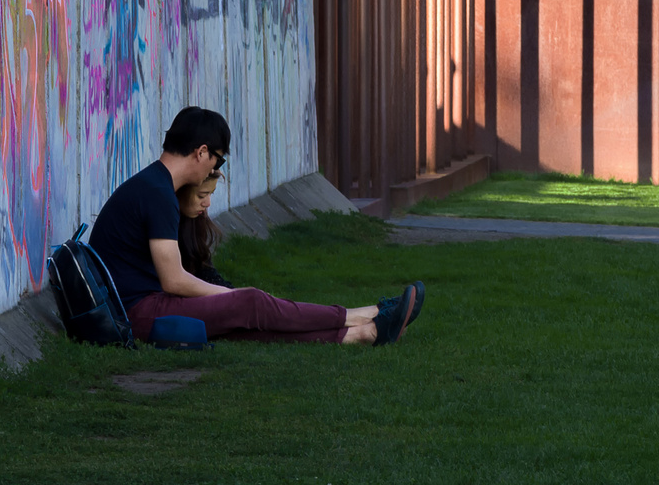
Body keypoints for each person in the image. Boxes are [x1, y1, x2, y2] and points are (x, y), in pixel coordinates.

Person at [89, 105, 423, 345]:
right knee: (250, 303)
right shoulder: (157, 193)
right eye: (217, 161)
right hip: (139, 313)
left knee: (243, 321)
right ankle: (364, 314)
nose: (214, 170)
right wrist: (227, 295)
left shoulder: (153, 185)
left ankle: (366, 332)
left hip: (140, 308)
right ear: (201, 152)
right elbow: (174, 280)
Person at [176, 171, 231, 288]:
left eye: (211, 194)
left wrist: (234, 294)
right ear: (180, 190)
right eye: (201, 195)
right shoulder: (164, 223)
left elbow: (206, 272)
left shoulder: (194, 220)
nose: (208, 203)